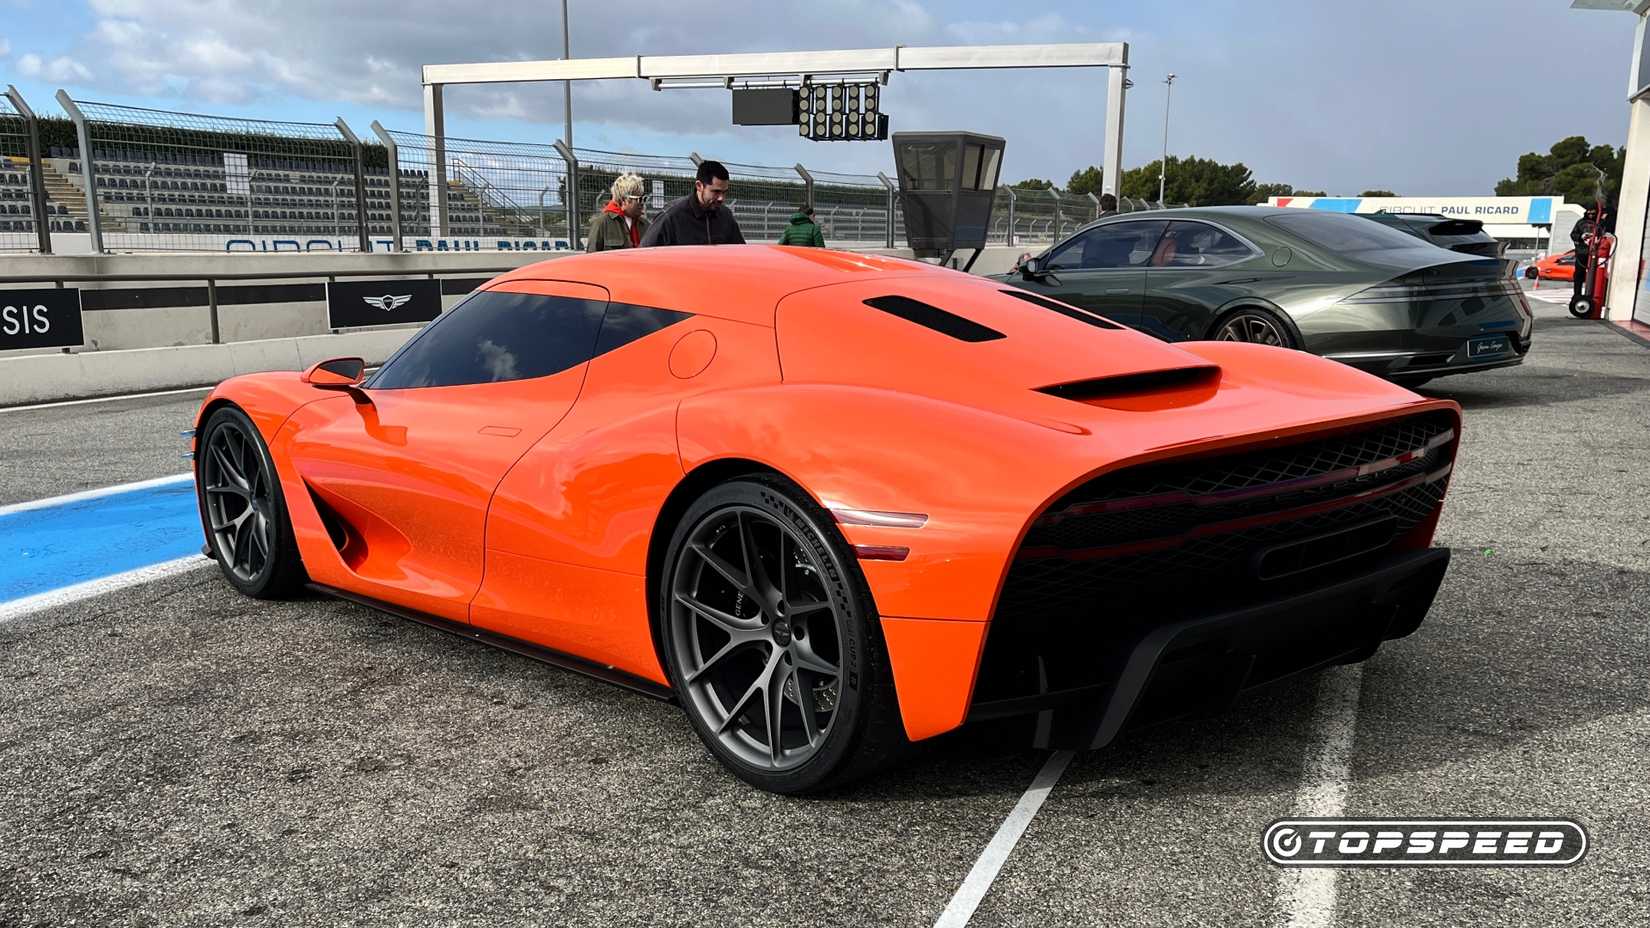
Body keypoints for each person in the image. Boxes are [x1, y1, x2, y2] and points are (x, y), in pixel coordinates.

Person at [639, 160, 745, 246]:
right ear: (699, 186)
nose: (721, 198)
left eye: (724, 192)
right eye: (716, 192)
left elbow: (740, 253)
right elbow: (645, 253)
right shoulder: (671, 216)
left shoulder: (726, 217)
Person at [585, 173, 649, 252]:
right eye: (639, 199)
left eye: (644, 199)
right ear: (624, 200)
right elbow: (592, 257)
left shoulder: (646, 225)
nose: (643, 203)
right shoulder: (602, 223)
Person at [1571, 205, 1597, 305]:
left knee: (1593, 275)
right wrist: (1581, 237)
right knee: (1578, 275)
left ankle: (1591, 294)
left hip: (1594, 253)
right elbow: (1573, 234)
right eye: (1589, 213)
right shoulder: (1580, 222)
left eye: (1593, 214)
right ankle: (1577, 294)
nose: (1590, 215)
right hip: (1582, 252)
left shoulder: (1598, 223)